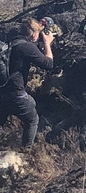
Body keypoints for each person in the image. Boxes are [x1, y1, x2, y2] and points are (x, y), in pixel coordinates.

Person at [0, 18, 54, 149]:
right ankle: (26, 151)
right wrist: (47, 44)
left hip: (2, 92)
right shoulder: (27, 46)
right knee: (32, 119)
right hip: (16, 94)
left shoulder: (12, 43)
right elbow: (48, 64)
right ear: (34, 34)